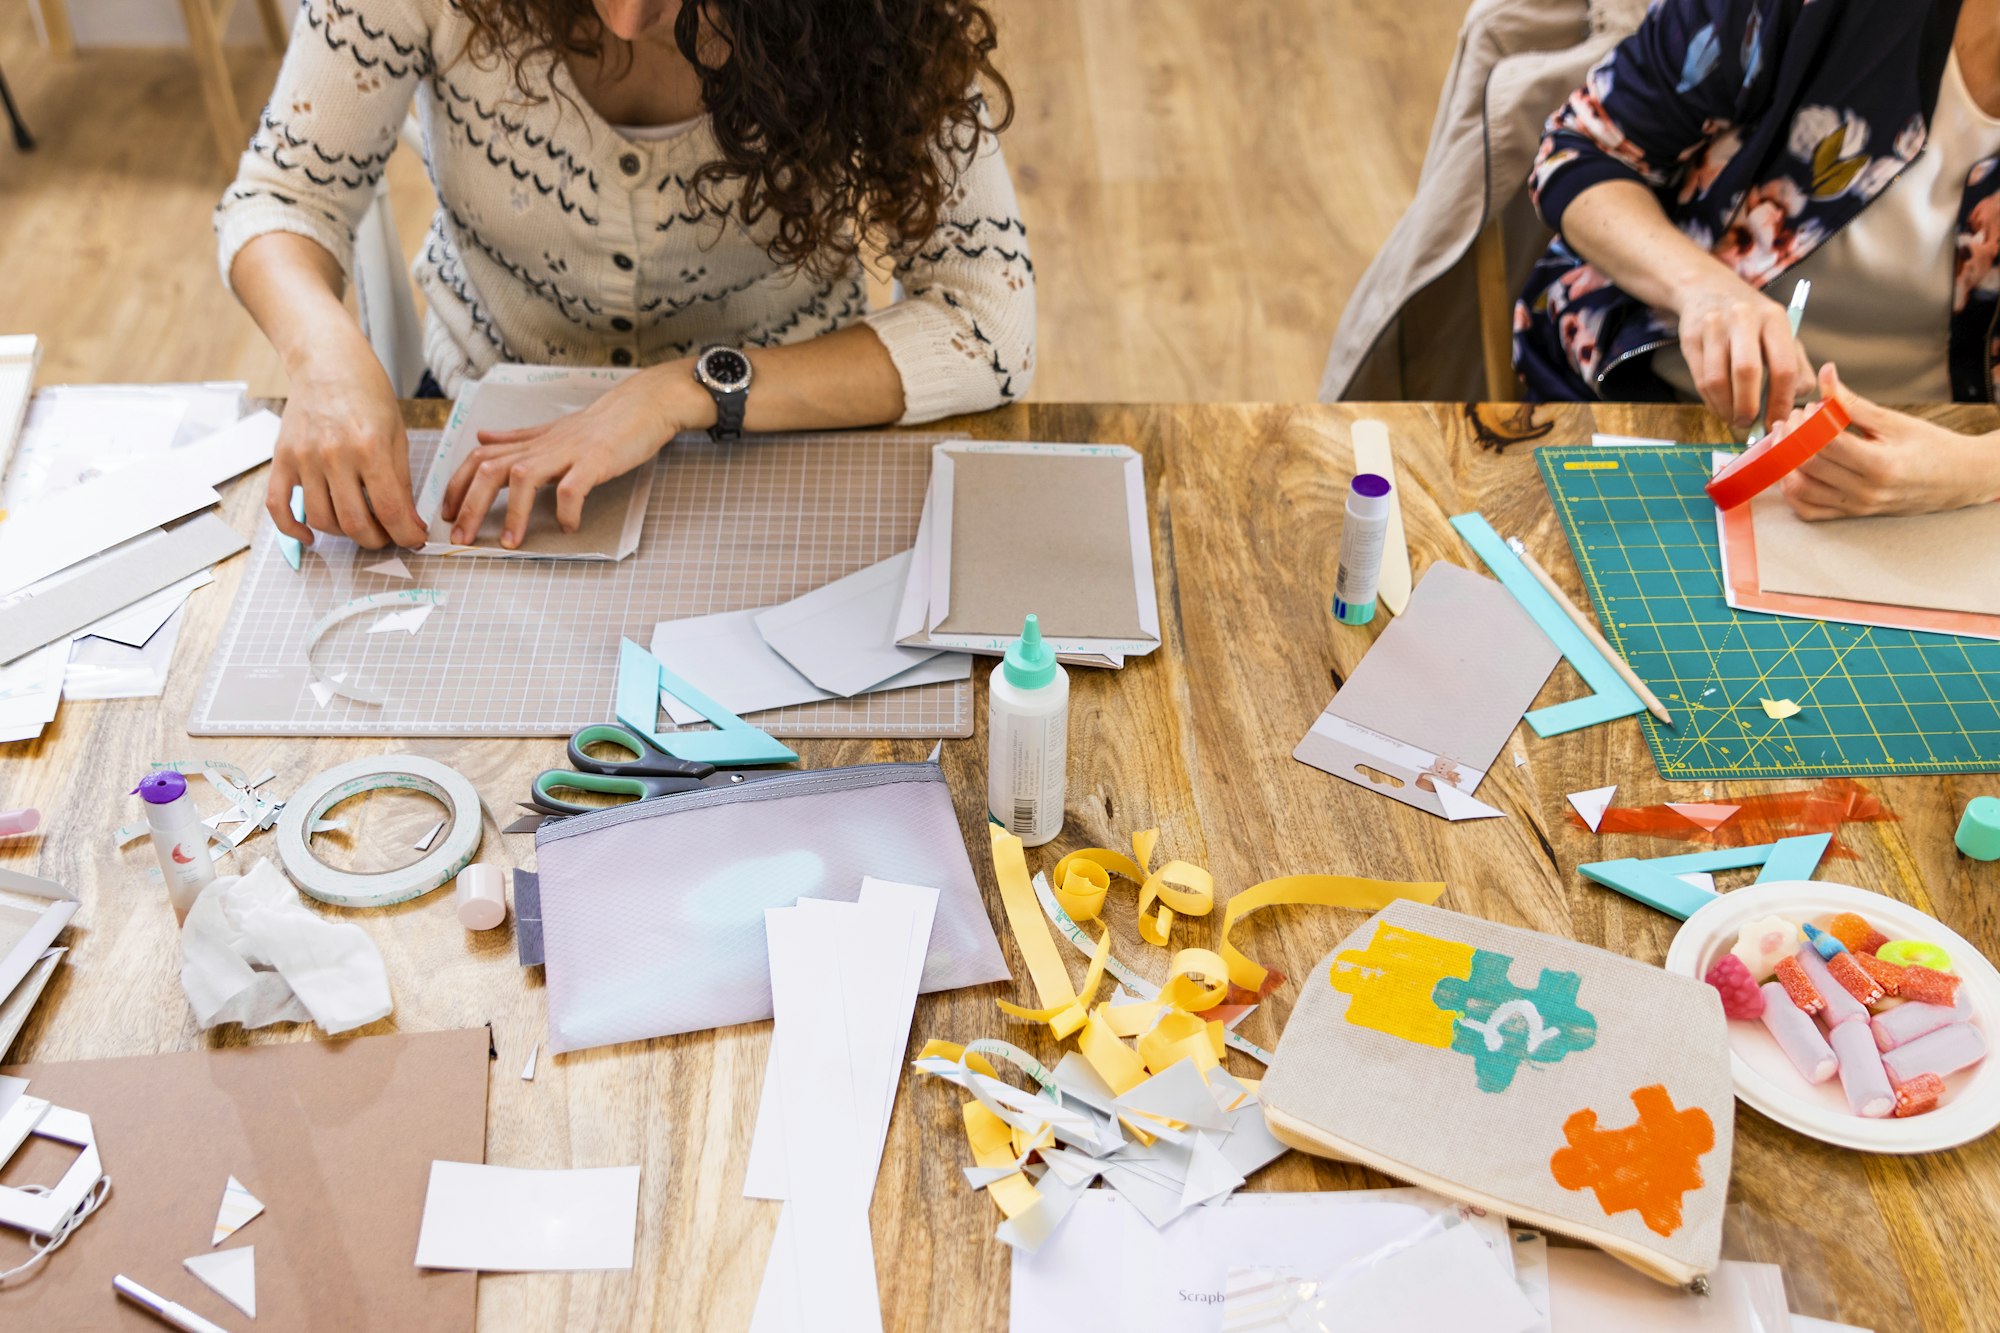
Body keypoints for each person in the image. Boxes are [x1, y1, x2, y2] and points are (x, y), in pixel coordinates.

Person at [218, 0, 1034, 550]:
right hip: (486, 415)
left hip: (786, 433)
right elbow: (282, 196)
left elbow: (988, 319)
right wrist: (323, 359)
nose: (623, 17)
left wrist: (682, 391)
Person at [1514, 0, 2000, 519]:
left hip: (1940, 467)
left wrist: (1976, 469)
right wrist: (1701, 287)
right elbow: (1580, 149)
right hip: (1654, 407)